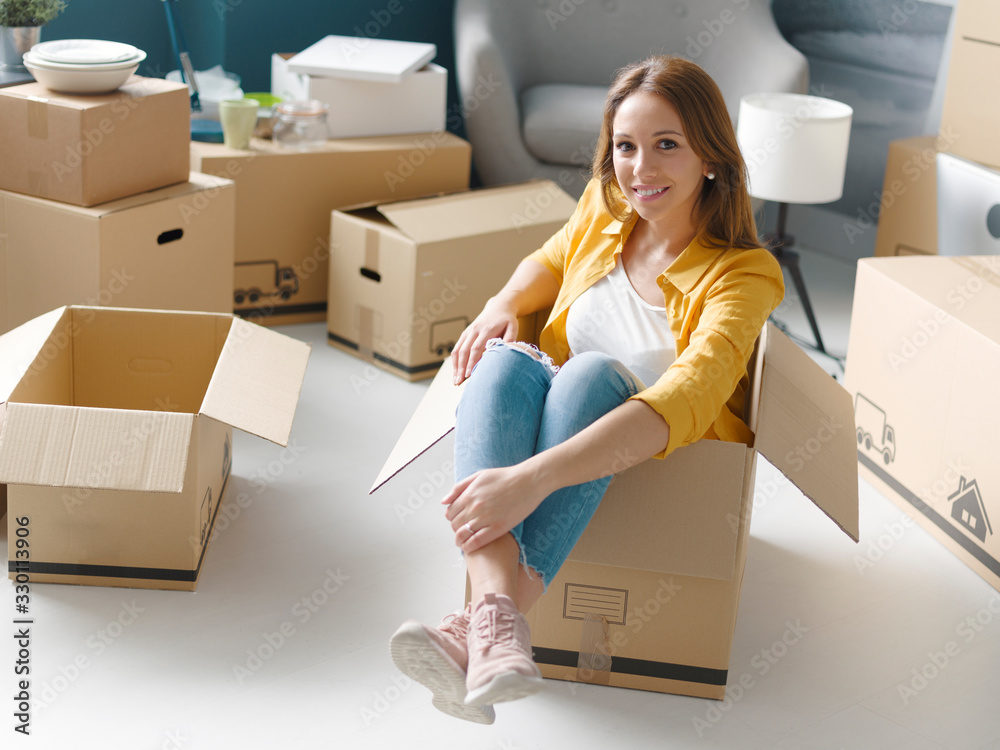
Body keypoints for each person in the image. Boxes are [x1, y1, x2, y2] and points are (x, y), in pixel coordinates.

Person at [389, 55, 785, 724]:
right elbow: (550, 261)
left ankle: (476, 624)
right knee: (505, 360)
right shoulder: (607, 206)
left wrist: (529, 480)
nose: (640, 169)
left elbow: (690, 393)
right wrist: (501, 301)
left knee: (590, 372)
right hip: (560, 419)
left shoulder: (745, 273)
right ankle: (494, 622)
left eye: (667, 145)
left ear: (711, 158)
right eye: (626, 147)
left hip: (656, 446)